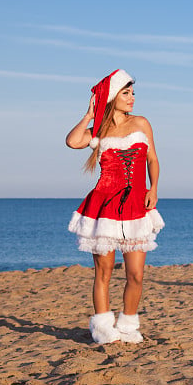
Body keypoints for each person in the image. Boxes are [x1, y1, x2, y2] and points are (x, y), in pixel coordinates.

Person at [66, 69, 165, 344]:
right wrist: (89, 115)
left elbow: (152, 160)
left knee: (136, 274)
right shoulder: (99, 130)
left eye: (133, 93)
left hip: (136, 204)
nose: (132, 98)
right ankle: (103, 328)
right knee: (104, 272)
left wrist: (153, 188)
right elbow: (72, 141)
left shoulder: (142, 123)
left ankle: (128, 325)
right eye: (126, 93)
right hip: (104, 206)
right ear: (112, 97)